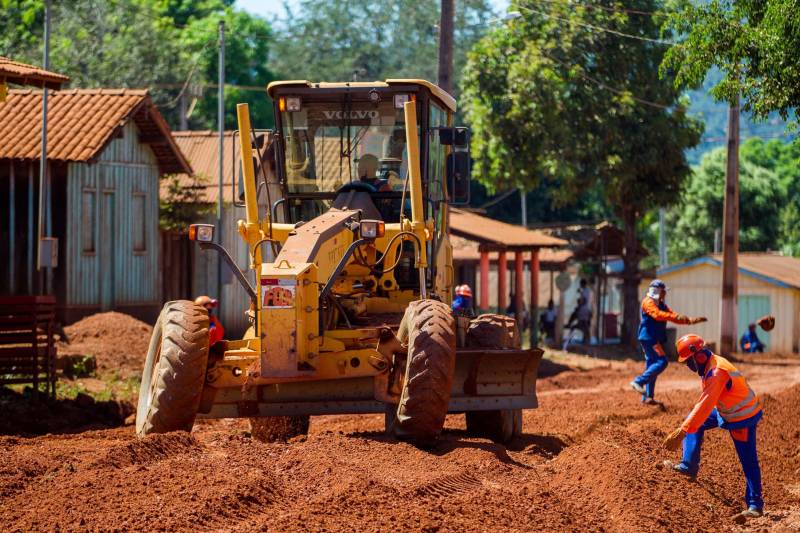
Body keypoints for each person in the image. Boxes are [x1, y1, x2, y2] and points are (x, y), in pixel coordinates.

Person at [663, 333, 763, 522]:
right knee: (694, 422)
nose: (688, 366)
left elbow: (705, 405)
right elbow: (703, 408)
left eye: (687, 362)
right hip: (727, 410)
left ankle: (755, 506)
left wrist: (683, 431)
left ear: (697, 356)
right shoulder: (709, 363)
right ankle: (688, 466)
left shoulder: (716, 372)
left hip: (742, 415)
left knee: (748, 460)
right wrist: (688, 426)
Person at [630, 279, 707, 404]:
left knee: (652, 365)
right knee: (662, 361)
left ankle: (648, 397)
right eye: (663, 292)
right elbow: (658, 315)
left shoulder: (661, 304)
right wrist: (675, 317)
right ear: (658, 291)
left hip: (653, 337)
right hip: (648, 337)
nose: (664, 294)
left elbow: (671, 315)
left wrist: (689, 320)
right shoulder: (648, 302)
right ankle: (638, 381)